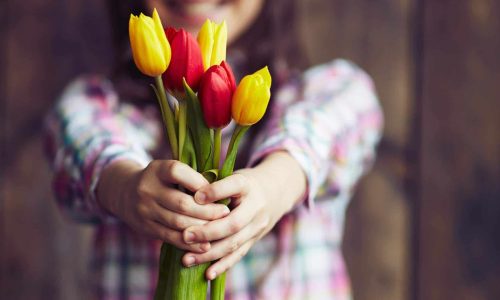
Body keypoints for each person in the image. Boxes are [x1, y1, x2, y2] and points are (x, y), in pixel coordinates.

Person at [44, 0, 383, 299]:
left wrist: (275, 184)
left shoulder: (320, 91)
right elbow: (80, 140)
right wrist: (124, 187)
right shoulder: (99, 104)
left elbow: (334, 124)